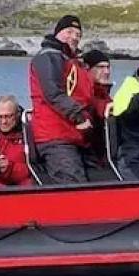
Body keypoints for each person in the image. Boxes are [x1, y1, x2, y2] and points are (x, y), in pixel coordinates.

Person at [28, 14, 98, 182]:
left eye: (78, 34)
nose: (74, 37)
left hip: (75, 136)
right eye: (69, 32)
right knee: (73, 187)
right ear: (58, 33)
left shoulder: (71, 61)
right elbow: (52, 92)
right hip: (56, 136)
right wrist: (79, 117)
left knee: (96, 182)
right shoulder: (49, 56)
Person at [82, 48, 117, 178]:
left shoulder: (105, 95)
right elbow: (101, 110)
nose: (106, 71)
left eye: (108, 67)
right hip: (91, 157)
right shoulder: (86, 95)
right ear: (87, 69)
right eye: (101, 67)